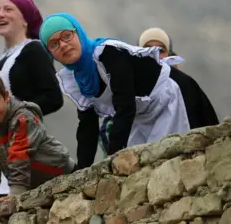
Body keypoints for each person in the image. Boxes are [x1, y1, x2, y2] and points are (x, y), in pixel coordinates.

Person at [39, 13, 191, 170]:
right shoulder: (76, 78)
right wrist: (81, 170)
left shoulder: (107, 53)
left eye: (67, 36)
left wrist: (111, 156)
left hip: (170, 101)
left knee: (170, 164)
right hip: (141, 117)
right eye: (54, 44)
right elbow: (87, 126)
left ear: (78, 33)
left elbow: (125, 105)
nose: (63, 45)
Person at [0, 0, 64, 205]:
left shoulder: (35, 50)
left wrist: (18, 115)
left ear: (25, 19)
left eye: (8, 9)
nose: (0, 14)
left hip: (20, 143)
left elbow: (54, 97)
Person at [0, 71, 74, 209]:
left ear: (6, 96)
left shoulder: (22, 118)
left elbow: (20, 157)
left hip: (62, 174)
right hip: (33, 187)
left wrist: (15, 195)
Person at [138, 27, 219, 129]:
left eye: (161, 50)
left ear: (169, 53)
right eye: (147, 49)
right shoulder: (126, 84)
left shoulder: (186, 85)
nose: (155, 54)